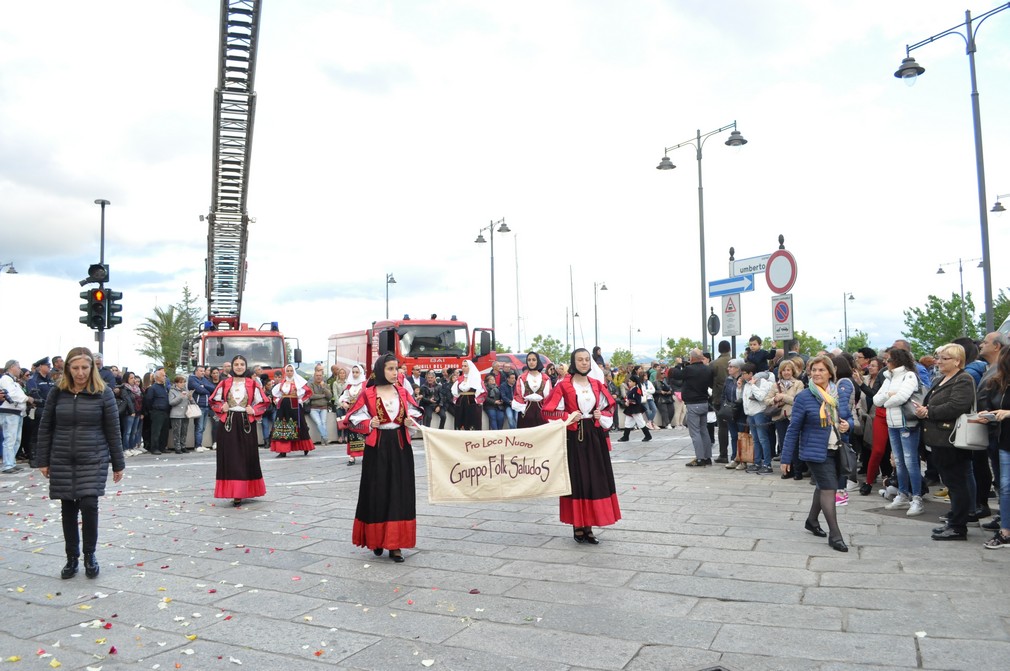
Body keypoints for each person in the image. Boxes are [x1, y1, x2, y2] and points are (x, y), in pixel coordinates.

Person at [34, 347, 125, 578]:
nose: (80, 372)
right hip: (62, 456)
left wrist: (118, 463)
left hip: (93, 456)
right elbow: (46, 427)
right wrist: (42, 460)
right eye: (75, 368)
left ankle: (89, 555)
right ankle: (71, 557)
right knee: (68, 509)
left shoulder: (103, 393)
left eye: (85, 367)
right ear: (67, 369)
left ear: (92, 368)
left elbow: (113, 430)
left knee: (89, 505)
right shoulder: (58, 392)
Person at [342, 354, 422, 562]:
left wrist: (408, 421)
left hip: (400, 445)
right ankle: (377, 540)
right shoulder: (368, 393)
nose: (395, 373)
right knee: (376, 491)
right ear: (380, 370)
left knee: (399, 491)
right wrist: (369, 423)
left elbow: (416, 413)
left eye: (396, 369)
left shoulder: (403, 392)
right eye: (390, 369)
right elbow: (352, 418)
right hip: (377, 447)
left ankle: (395, 546)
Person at [543, 348, 621, 544]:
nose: (584, 363)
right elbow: (548, 411)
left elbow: (609, 406)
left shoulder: (596, 384)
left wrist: (600, 415)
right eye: (580, 360)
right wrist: (568, 417)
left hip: (594, 438)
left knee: (595, 479)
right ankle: (578, 526)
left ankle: (590, 526)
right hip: (574, 439)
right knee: (578, 479)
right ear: (573, 362)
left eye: (587, 360)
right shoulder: (563, 385)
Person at [781, 355, 850, 552]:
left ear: (830, 372)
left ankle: (811, 520)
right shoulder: (804, 397)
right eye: (814, 370)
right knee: (829, 488)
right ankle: (835, 535)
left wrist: (848, 425)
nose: (817, 373)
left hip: (836, 448)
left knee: (823, 486)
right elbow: (793, 429)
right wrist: (786, 458)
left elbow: (849, 418)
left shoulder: (837, 395)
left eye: (821, 370)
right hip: (815, 451)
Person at [915, 343, 977, 540]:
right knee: (952, 482)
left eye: (944, 358)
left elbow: (957, 406)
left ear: (958, 360)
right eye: (938, 357)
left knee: (957, 482)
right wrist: (923, 409)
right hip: (939, 439)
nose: (938, 361)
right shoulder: (943, 378)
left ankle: (959, 526)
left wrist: (929, 412)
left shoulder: (963, 379)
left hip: (952, 440)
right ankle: (955, 520)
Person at [208, 355, 270, 507]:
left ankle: (244, 490)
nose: (239, 367)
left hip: (246, 424)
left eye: (242, 364)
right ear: (232, 366)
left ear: (246, 366)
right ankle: (235, 492)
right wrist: (221, 407)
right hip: (228, 424)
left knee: (246, 456)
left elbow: (264, 401)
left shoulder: (252, 384)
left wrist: (253, 410)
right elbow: (213, 400)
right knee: (231, 457)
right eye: (236, 364)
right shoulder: (225, 383)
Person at [873, 348, 923, 514]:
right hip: (892, 423)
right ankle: (902, 494)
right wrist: (890, 395)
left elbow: (902, 396)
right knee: (899, 463)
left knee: (910, 462)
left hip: (906, 422)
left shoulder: (909, 375)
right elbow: (876, 399)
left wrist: (887, 401)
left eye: (888, 360)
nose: (885, 363)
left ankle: (917, 498)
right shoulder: (888, 377)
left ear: (896, 360)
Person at [980, 346, 1010, 548]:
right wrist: (987, 415)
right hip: (1005, 441)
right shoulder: (1000, 383)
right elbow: (992, 406)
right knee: (1006, 487)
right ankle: (1006, 530)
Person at [669, 349, 714, 466]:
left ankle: (700, 458)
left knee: (695, 433)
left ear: (692, 358)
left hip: (693, 404)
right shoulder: (707, 369)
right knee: (704, 431)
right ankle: (708, 457)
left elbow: (675, 374)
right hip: (704, 402)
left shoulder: (689, 369)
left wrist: (679, 364)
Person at [271, 364, 315, 457]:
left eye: (291, 370)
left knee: (300, 425)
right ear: (285, 372)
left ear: (293, 371)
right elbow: (276, 394)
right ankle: (283, 451)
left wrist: (301, 399)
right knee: (282, 426)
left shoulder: (298, 382)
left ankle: (305, 447)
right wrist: (277, 400)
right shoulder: (282, 383)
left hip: (295, 406)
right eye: (288, 370)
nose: (289, 372)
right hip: (283, 407)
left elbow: (308, 392)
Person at [1, 360, 34, 473]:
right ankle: (8, 465)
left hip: (17, 412)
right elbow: (13, 394)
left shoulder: (13, 381)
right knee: (10, 438)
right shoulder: (6, 380)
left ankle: (11, 462)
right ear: (12, 367)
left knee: (16, 439)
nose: (20, 370)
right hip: (9, 412)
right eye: (18, 367)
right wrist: (26, 399)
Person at [513, 352, 551, 428]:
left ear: (538, 361)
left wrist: (546, 410)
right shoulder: (522, 377)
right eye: (529, 360)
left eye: (534, 360)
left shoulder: (545, 378)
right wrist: (523, 409)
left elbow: (548, 396)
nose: (531, 362)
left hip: (541, 411)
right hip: (526, 411)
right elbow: (518, 395)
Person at [339, 364, 367, 464]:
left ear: (361, 373)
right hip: (352, 413)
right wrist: (344, 403)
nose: (355, 374)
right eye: (353, 372)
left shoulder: (365, 385)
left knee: (363, 434)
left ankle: (365, 455)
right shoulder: (349, 385)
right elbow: (343, 397)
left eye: (357, 372)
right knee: (352, 434)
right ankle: (352, 456)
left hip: (363, 413)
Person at [451, 359, 486, 430]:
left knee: (472, 420)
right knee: (460, 419)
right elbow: (454, 390)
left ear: (470, 367)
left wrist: (477, 400)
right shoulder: (460, 378)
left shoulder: (476, 378)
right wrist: (456, 398)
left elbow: (482, 390)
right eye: (462, 366)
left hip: (472, 402)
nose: (463, 368)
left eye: (465, 366)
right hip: (461, 402)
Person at [187, 366, 215, 449]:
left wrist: (204, 386)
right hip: (199, 406)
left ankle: (200, 444)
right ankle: (198, 446)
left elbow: (213, 388)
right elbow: (199, 390)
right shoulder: (192, 379)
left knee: (202, 427)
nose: (203, 372)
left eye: (203, 371)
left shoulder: (204, 380)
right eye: (201, 371)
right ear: (196, 371)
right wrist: (206, 390)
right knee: (199, 427)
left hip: (207, 406)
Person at [144, 368, 170, 455]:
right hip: (157, 411)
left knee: (164, 431)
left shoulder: (164, 387)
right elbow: (148, 400)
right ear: (157, 377)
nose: (165, 377)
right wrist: (151, 410)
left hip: (165, 411)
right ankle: (154, 448)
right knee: (156, 431)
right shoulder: (153, 388)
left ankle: (162, 447)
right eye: (163, 376)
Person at [618, 374, 650, 442]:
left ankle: (648, 435)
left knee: (640, 422)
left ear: (634, 382)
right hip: (631, 408)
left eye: (630, 381)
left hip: (635, 409)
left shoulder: (637, 389)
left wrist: (629, 401)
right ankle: (625, 436)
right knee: (628, 422)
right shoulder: (632, 389)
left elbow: (637, 400)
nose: (628, 382)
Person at [307, 369, 333, 444]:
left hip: (323, 407)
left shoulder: (325, 385)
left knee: (323, 422)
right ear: (314, 376)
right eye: (317, 375)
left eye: (320, 375)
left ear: (322, 377)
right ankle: (325, 438)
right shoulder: (310, 385)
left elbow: (329, 396)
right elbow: (311, 396)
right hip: (313, 408)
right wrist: (323, 395)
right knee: (318, 422)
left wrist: (324, 388)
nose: (318, 377)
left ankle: (323, 440)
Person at [168, 376, 191, 454]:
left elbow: (192, 402)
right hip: (176, 414)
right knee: (177, 432)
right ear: (176, 383)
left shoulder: (186, 390)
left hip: (185, 414)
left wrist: (190, 398)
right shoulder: (172, 391)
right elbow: (171, 402)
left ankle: (183, 446)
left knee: (184, 431)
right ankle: (177, 447)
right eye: (180, 382)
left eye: (184, 382)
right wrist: (180, 397)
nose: (183, 384)